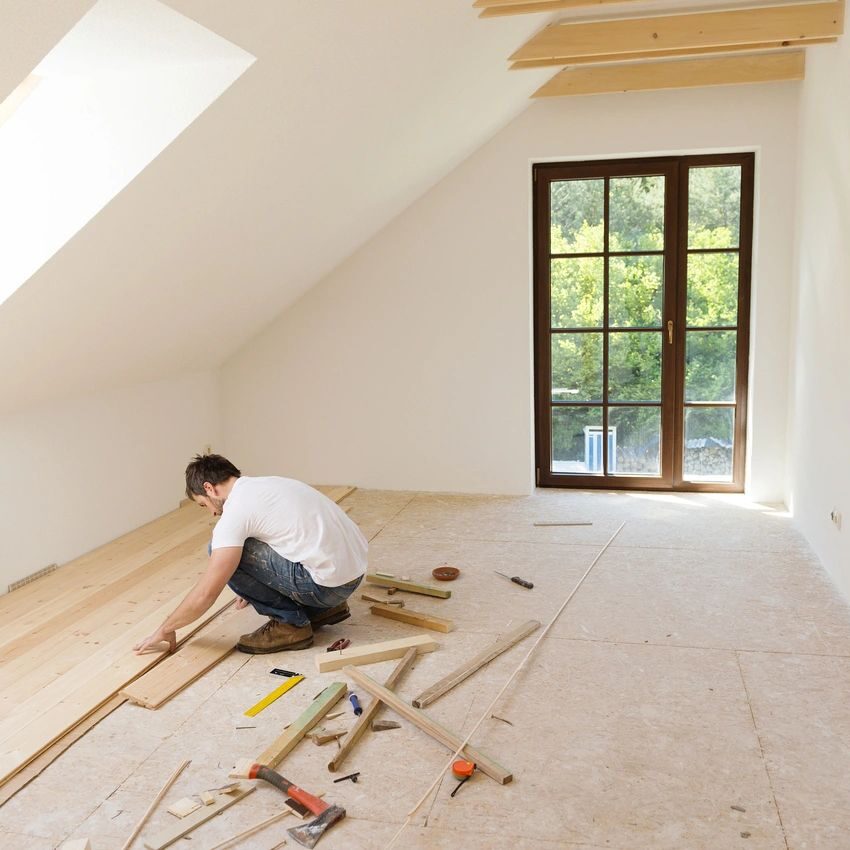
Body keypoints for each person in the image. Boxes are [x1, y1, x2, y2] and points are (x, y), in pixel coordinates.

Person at [133, 454, 367, 655]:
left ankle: (291, 625)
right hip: (352, 577)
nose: (213, 513)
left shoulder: (236, 511)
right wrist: (258, 583)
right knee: (237, 547)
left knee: (219, 548)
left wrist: (165, 629)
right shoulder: (270, 484)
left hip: (326, 588)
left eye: (204, 505)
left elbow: (207, 592)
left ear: (208, 488)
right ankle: (325, 610)